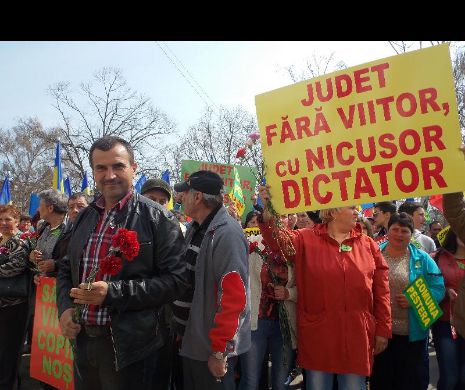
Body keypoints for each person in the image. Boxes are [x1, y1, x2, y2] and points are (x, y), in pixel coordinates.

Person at [56, 136, 188, 390]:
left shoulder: (158, 218)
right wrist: (64, 308)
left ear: (133, 168)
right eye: (101, 168)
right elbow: (65, 268)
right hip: (84, 342)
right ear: (93, 172)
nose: (110, 175)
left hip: (133, 348)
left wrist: (112, 293)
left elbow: (177, 281)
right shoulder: (84, 216)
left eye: (118, 166)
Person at [258, 185, 391, 390]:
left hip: (356, 335)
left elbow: (381, 291)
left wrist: (383, 329)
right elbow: (277, 241)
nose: (358, 212)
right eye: (352, 207)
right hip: (319, 336)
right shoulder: (305, 239)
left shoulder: (368, 245)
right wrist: (269, 210)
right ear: (333, 211)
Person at [172, 170, 250, 390]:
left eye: (185, 193)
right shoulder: (195, 229)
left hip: (208, 350)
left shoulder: (227, 234)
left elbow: (234, 299)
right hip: (191, 342)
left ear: (197, 197)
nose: (181, 198)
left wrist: (219, 350)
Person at [371, 212, 445, 390]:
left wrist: (415, 299)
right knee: (383, 381)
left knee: (411, 381)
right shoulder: (374, 254)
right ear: (387, 231)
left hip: (413, 335)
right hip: (381, 334)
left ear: (411, 234)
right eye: (395, 229)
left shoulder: (423, 258)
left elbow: (438, 288)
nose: (399, 234)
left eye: (404, 231)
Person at [238, 214, 297, 390]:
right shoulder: (253, 244)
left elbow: (310, 286)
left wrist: (289, 293)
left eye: (284, 216)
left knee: (280, 382)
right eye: (274, 214)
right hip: (257, 322)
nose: (279, 219)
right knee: (250, 380)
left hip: (284, 325)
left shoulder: (295, 247)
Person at [0, 204, 30, 389]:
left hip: (14, 305)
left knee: (9, 350)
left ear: (17, 222)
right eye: (0, 219)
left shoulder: (21, 240)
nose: (3, 223)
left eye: (8, 219)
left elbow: (15, 267)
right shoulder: (1, 239)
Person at [431, 228, 465, 389]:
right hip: (445, 323)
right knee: (450, 377)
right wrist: (443, 292)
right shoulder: (437, 257)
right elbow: (425, 285)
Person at [30, 189, 69, 278]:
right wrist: (32, 255)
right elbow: (35, 255)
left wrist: (56, 265)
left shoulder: (71, 228)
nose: (38, 209)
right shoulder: (42, 226)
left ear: (50, 208)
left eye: (40, 205)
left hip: (61, 285)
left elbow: (76, 259)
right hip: (42, 284)